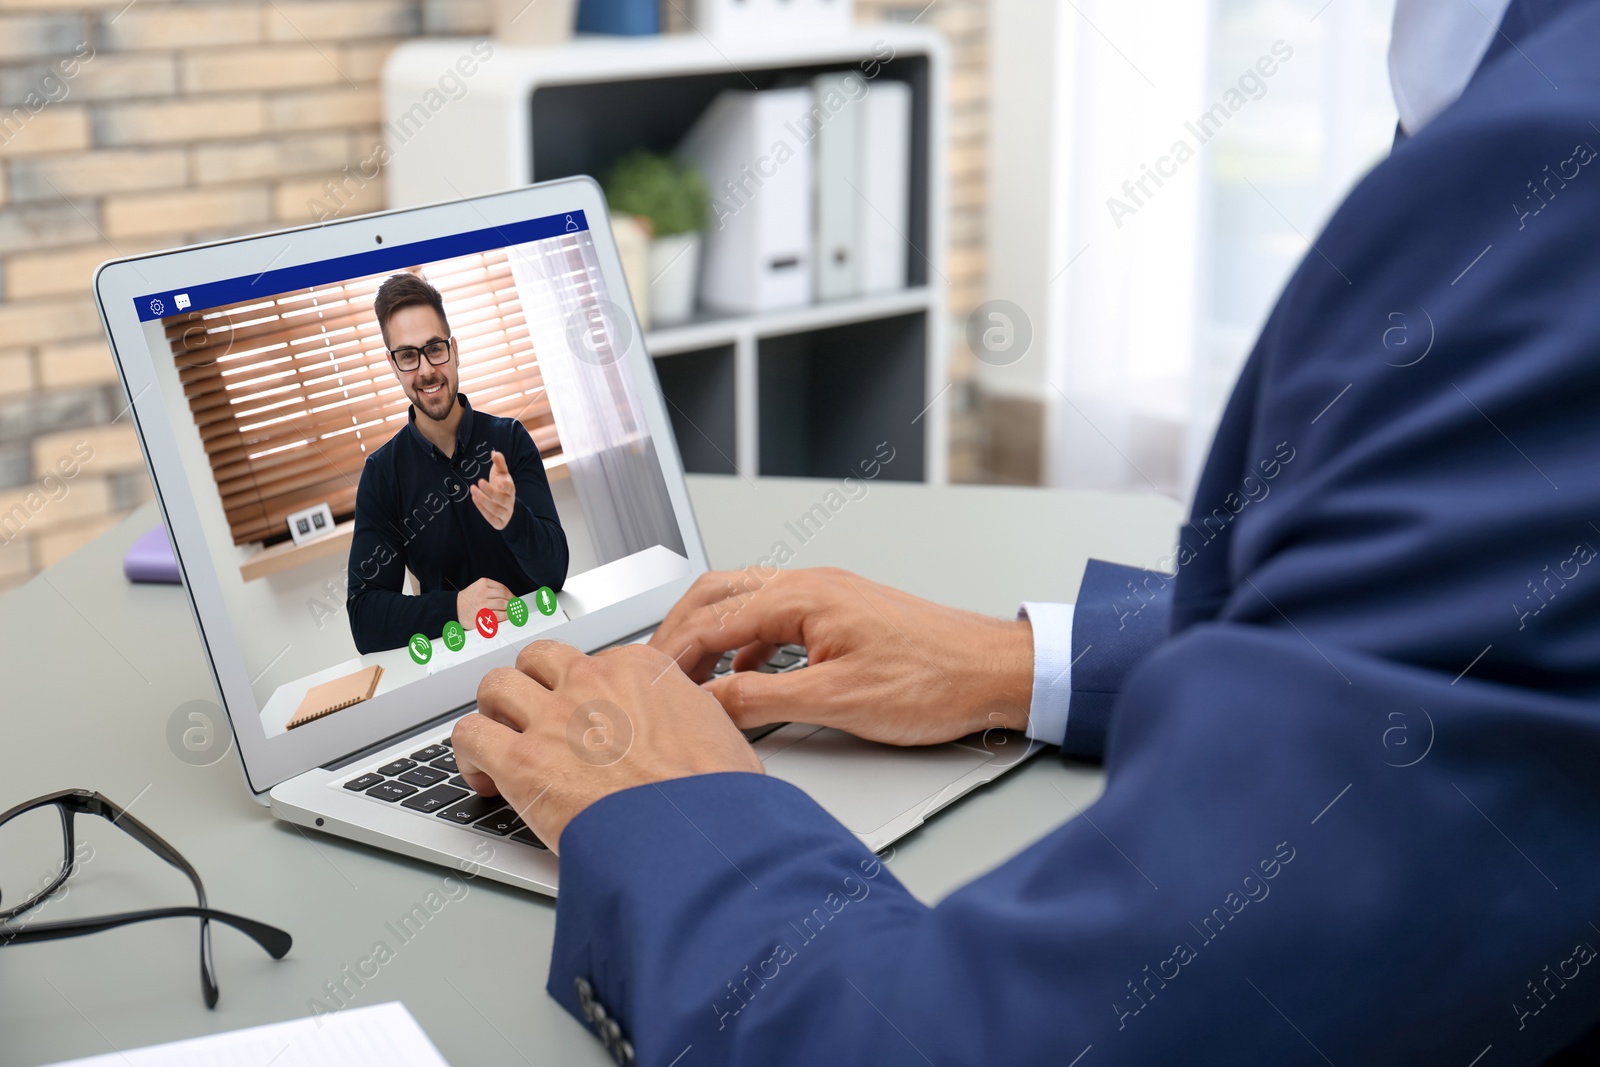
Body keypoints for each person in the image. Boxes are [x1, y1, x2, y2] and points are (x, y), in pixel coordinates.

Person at [451, 0, 1600, 1062]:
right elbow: (1484, 644)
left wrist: (672, 814)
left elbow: (1008, 1037)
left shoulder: (1554, 177)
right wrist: (1023, 661)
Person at [346, 273, 568, 654]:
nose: (426, 370)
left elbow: (555, 573)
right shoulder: (383, 475)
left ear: (454, 350)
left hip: (542, 644)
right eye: (407, 356)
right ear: (393, 365)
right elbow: (365, 618)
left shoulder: (510, 440)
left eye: (434, 349)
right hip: (459, 664)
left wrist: (513, 518)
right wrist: (455, 607)